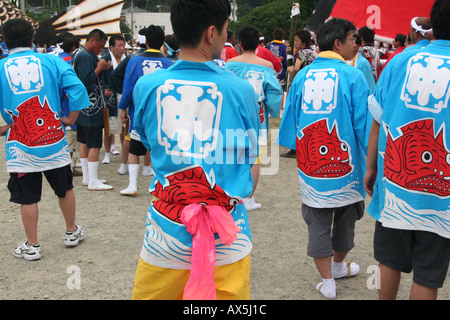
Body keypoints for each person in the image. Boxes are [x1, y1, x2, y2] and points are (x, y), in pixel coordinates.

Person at [131, 0, 260, 300]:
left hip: (165, 230)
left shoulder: (147, 86)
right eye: (227, 30)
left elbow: (149, 145)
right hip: (228, 233)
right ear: (212, 33)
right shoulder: (241, 90)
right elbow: (251, 162)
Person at [278, 18, 372, 299]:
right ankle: (338, 265)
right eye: (354, 38)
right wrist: (372, 161)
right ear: (337, 43)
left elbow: (289, 125)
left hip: (311, 166)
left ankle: (328, 279)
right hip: (347, 166)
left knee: (317, 219)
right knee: (347, 217)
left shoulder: (304, 75)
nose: (357, 44)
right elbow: (364, 126)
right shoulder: (354, 75)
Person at [364, 0, 450, 300]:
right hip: (443, 195)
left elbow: (377, 120)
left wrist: (371, 166)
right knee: (428, 273)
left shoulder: (400, 60)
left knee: (388, 258)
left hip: (395, 185)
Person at [0, 18, 90, 260]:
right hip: (53, 139)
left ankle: (33, 246)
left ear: (5, 41)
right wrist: (71, 118)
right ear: (32, 39)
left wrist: (3, 128)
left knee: (27, 196)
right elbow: (78, 89)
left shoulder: (0, 67)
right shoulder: (52, 60)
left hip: (20, 144)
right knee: (65, 188)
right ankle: (71, 232)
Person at [226, 24, 282, 211]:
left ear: (239, 43)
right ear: (258, 43)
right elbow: (274, 92)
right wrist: (273, 110)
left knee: (232, 154)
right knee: (253, 157)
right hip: (258, 117)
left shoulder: (230, 65)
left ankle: (230, 193)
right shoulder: (266, 66)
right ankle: (248, 198)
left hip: (233, 116)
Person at [118, 25, 173, 196]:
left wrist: (123, 108)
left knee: (135, 148)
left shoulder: (134, 60)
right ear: (163, 42)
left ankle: (133, 185)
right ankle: (158, 184)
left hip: (139, 111)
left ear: (146, 41)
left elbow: (128, 88)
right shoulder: (168, 64)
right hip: (163, 112)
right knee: (160, 148)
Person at [71, 29, 113, 191]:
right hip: (91, 108)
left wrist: (102, 67)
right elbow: (85, 81)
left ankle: (88, 177)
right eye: (100, 46)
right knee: (94, 144)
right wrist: (99, 68)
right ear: (93, 40)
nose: (101, 50)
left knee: (84, 142)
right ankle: (93, 180)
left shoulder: (78, 53)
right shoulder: (85, 56)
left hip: (82, 106)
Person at [110, 27, 147, 176]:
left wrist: (125, 99)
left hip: (135, 102)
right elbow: (117, 76)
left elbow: (119, 77)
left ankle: (127, 166)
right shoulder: (162, 59)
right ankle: (143, 167)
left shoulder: (133, 58)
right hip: (149, 103)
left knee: (131, 135)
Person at [58, 33, 82, 175]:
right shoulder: (70, 63)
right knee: (71, 139)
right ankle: (67, 168)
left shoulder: (56, 59)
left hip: (58, 105)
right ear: (74, 48)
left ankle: (68, 167)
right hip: (68, 107)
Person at [101, 34, 127, 164]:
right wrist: (103, 89)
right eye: (119, 46)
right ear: (111, 47)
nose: (122, 48)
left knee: (124, 128)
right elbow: (100, 79)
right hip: (110, 96)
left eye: (123, 45)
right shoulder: (104, 60)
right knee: (109, 128)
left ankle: (124, 155)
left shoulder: (127, 59)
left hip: (124, 95)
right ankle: (107, 153)